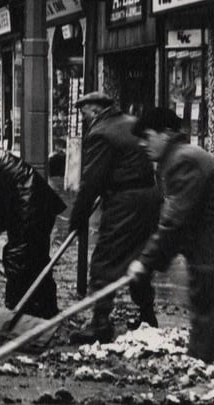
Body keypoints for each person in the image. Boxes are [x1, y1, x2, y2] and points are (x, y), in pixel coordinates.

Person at [68, 91, 161, 345]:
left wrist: (77, 216)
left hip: (125, 202)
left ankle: (99, 324)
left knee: (105, 259)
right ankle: (147, 316)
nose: (83, 116)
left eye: (84, 111)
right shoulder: (131, 123)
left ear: (96, 110)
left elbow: (91, 182)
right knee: (138, 257)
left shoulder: (101, 133)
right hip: (149, 197)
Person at [128, 108, 214, 362]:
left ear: (165, 134)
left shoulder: (182, 161)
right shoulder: (180, 157)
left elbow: (174, 221)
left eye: (147, 136)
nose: (143, 144)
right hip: (204, 250)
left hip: (209, 255)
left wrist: (145, 262)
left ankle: (200, 382)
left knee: (206, 317)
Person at [0, 147, 66, 318]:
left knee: (18, 258)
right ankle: (45, 312)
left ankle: (16, 314)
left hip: (29, 201)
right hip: (35, 201)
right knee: (35, 259)